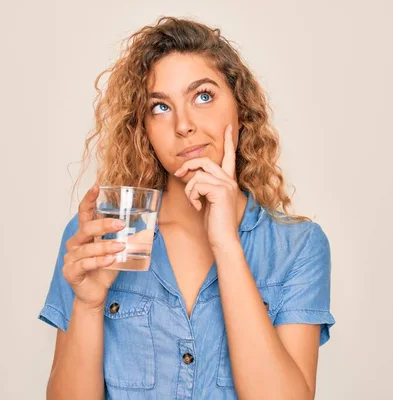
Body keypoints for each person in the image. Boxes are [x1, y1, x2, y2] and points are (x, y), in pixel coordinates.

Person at [39, 16, 335, 400]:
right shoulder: (105, 234)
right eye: (160, 107)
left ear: (241, 109)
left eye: (203, 96)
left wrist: (226, 244)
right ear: (142, 128)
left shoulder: (297, 247)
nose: (183, 125)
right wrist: (88, 306)